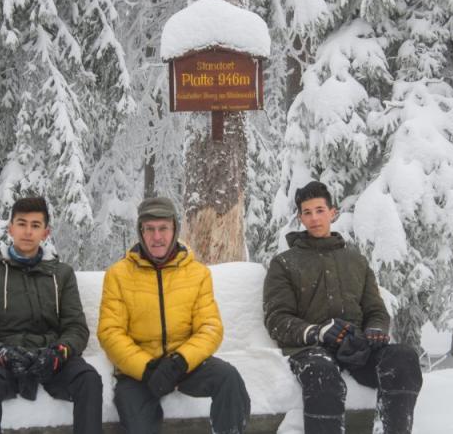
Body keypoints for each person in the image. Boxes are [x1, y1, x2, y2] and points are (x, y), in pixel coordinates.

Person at [263, 181, 422, 434]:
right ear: (300, 218)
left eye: (319, 210)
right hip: (310, 349)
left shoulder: (356, 261)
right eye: (307, 212)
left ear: (332, 212)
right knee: (323, 376)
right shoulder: (284, 264)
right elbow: (277, 319)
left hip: (356, 346)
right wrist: (317, 331)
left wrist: (376, 330)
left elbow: (376, 311)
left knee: (403, 358)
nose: (314, 218)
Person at [97, 197, 250, 434]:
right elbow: (110, 333)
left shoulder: (197, 273)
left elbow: (210, 328)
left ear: (175, 229)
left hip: (184, 363)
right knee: (138, 427)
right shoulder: (118, 275)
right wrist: (147, 369)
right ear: (141, 231)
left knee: (229, 379)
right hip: (138, 370)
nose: (157, 237)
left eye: (163, 228)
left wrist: (180, 362)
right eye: (150, 229)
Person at [0, 196, 102, 434]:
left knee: (89, 380)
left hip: (52, 356)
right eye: (22, 223)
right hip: (7, 359)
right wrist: (1, 353)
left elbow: (76, 328)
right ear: (11, 228)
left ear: (45, 232)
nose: (28, 231)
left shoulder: (62, 274)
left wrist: (60, 352)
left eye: (35, 225)